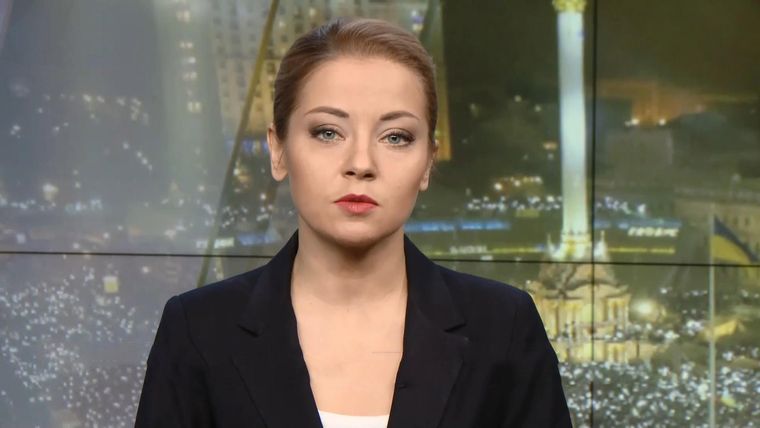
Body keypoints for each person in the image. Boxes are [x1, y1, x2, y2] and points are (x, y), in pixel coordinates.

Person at [135, 16, 572, 428]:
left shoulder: (503, 327)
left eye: (395, 137)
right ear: (278, 149)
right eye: (328, 132)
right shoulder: (198, 330)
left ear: (427, 162)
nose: (361, 163)